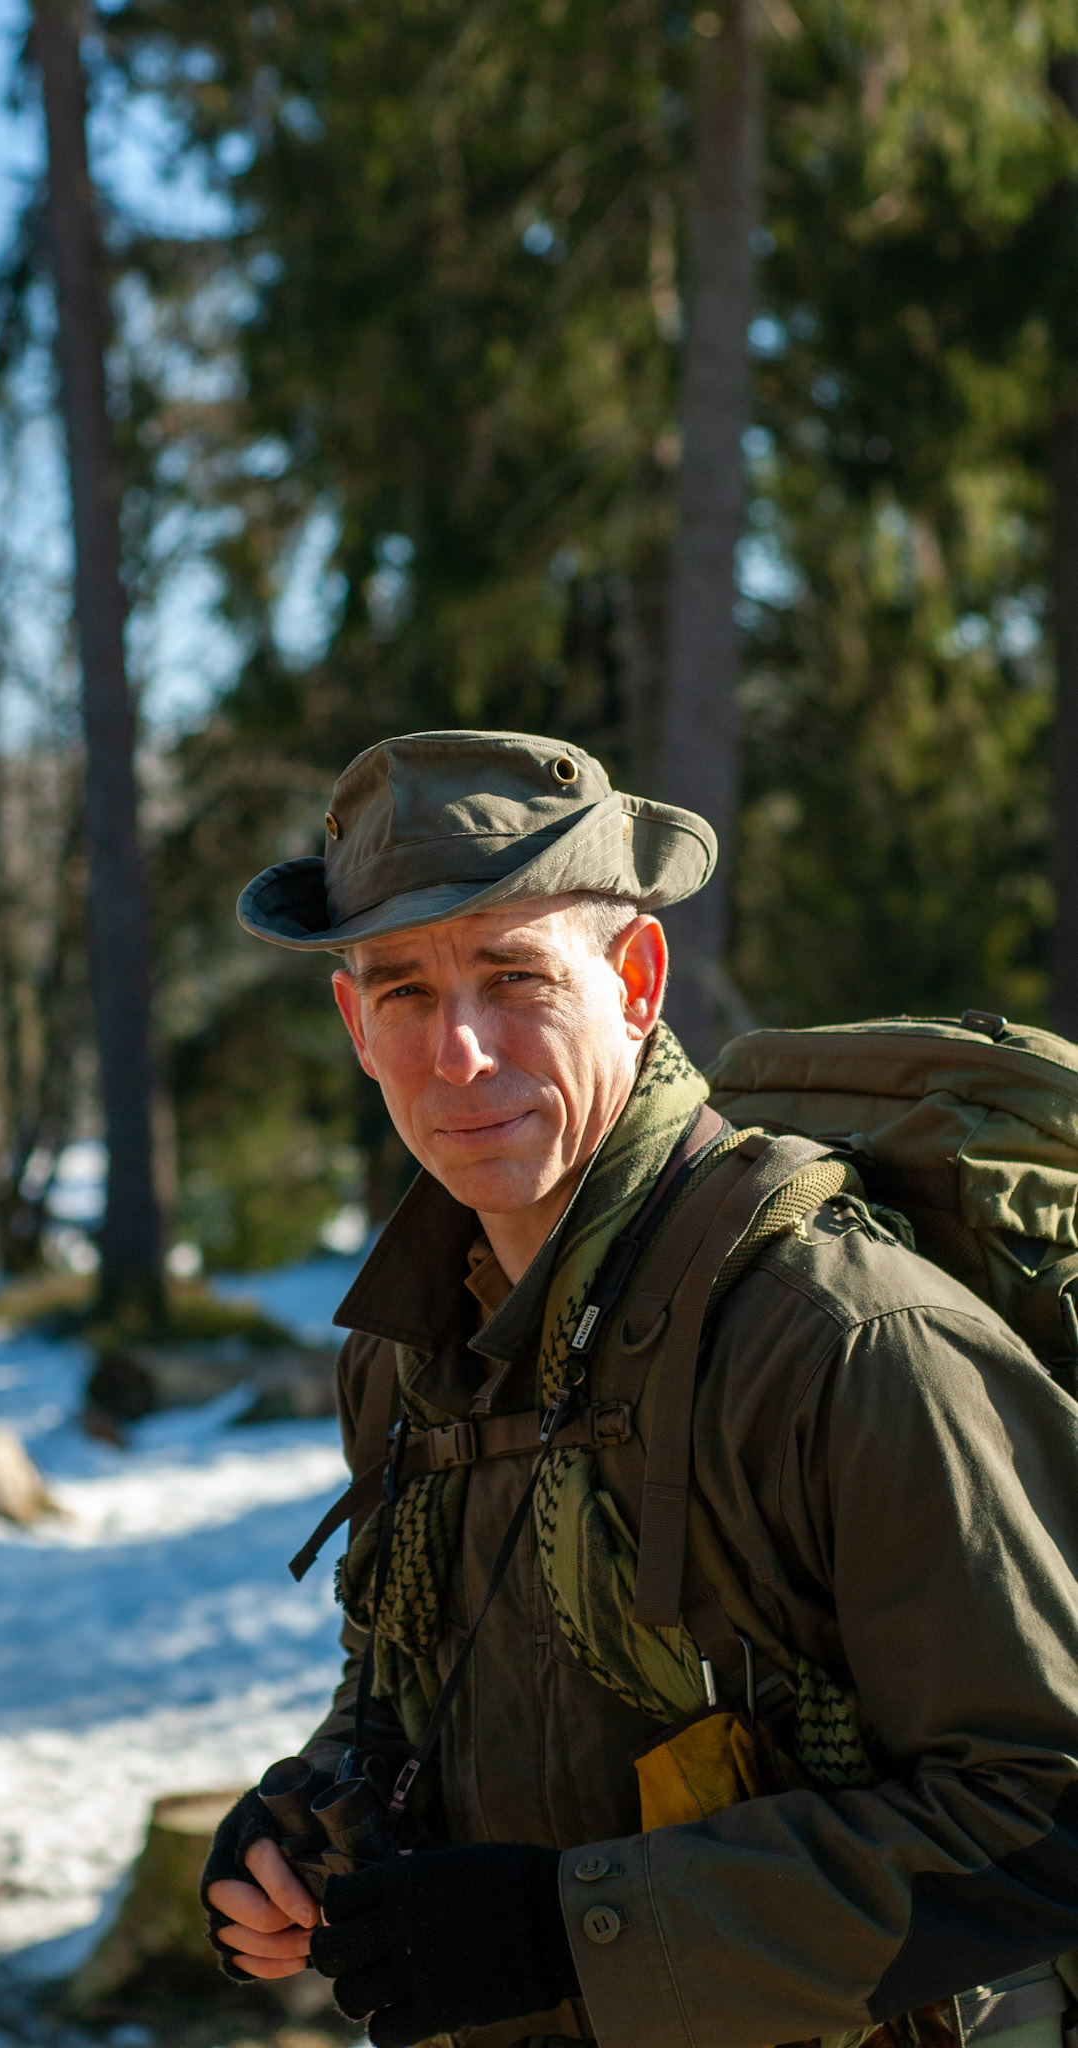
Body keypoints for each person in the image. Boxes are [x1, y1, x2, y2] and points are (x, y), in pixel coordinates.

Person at [201, 729, 1078, 2048]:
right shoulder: (406, 1351)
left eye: (514, 977)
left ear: (635, 980)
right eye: (404, 993)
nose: (459, 1053)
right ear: (354, 1026)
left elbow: (1043, 1812)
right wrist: (308, 1820)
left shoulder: (839, 1338)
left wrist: (567, 1931)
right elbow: (410, 1677)